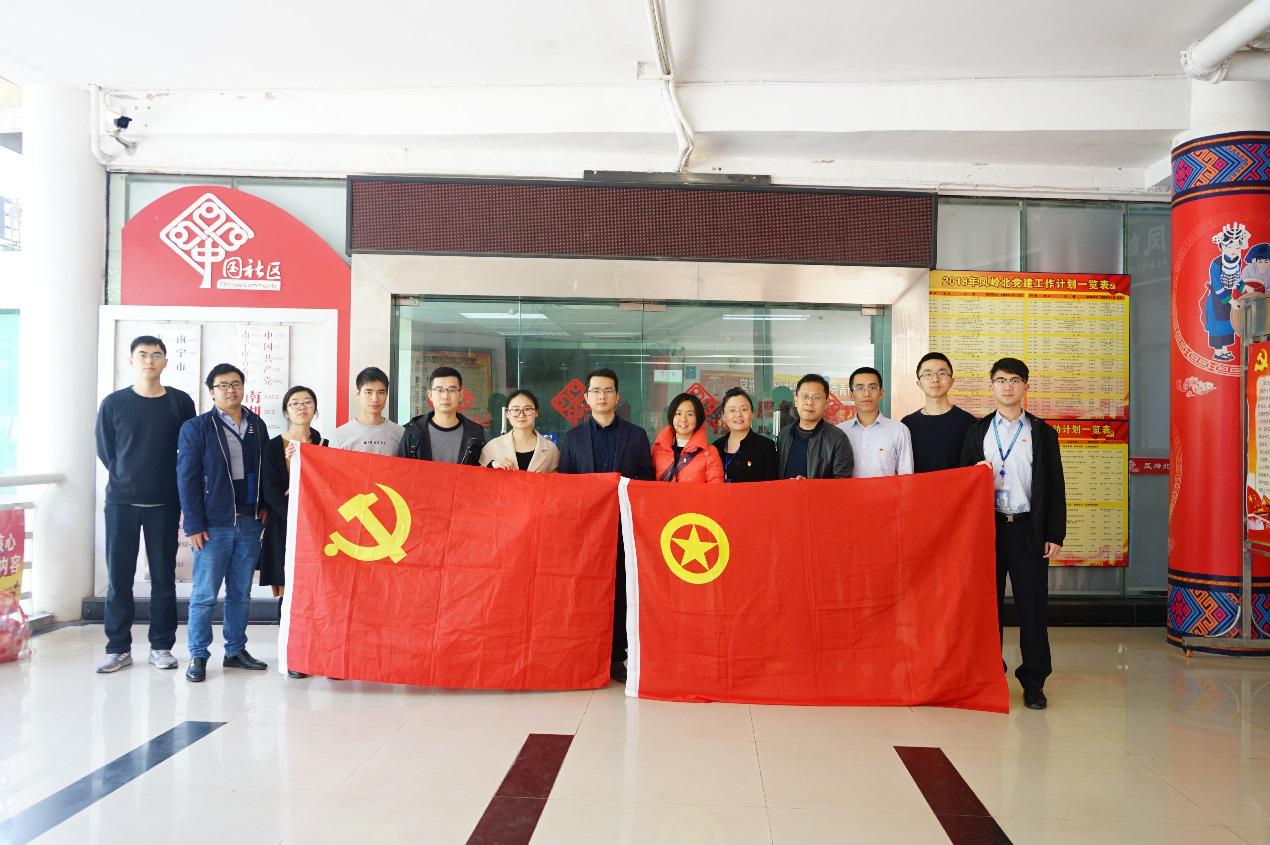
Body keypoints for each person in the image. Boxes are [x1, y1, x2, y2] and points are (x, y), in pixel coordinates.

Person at [961, 357, 1066, 711]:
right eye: (1001, 380)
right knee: (986, 608)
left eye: (1015, 380)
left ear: (1026, 386)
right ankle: (990, 676)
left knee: (1032, 608)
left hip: (1027, 530)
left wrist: (1055, 533)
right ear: (991, 386)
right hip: (987, 531)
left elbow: (1055, 486)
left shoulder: (1042, 432)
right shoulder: (976, 432)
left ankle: (1034, 682)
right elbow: (961, 480)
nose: (1008, 387)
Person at [93, 336, 197, 674]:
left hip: (165, 502)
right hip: (121, 502)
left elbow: (190, 449)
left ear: (166, 361)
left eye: (156, 355)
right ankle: (117, 648)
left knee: (164, 578)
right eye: (142, 355)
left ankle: (161, 646)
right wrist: (128, 476)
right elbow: (107, 450)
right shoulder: (114, 403)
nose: (149, 360)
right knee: (119, 578)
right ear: (131, 360)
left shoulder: (180, 402)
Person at [557, 368, 654, 682]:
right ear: (586, 398)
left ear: (617, 396)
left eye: (608, 390)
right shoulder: (573, 438)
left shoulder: (636, 435)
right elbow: (566, 485)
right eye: (596, 391)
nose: (602, 396)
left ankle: (616, 655)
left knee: (622, 588)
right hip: (588, 528)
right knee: (588, 589)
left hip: (624, 526)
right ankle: (589, 651)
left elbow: (647, 478)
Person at [178, 364, 270, 683]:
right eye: (223, 385)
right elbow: (187, 478)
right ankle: (198, 655)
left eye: (236, 384)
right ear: (212, 391)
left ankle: (235, 650)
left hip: (249, 522)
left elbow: (265, 470)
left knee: (240, 593)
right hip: (214, 524)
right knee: (204, 595)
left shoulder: (256, 425)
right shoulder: (197, 427)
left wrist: (264, 505)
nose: (230, 390)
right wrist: (193, 524)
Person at [259, 386, 326, 679]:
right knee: (289, 595)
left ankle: (316, 653)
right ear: (286, 411)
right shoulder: (273, 447)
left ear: (315, 409)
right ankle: (292, 655)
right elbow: (271, 492)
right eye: (295, 403)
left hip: (317, 529)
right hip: (285, 528)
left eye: (307, 402)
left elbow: (328, 487)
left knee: (315, 594)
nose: (301, 407)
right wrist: (297, 514)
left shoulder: (324, 444)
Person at [901, 352, 978, 474]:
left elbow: (974, 467)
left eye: (942, 373)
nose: (935, 379)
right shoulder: (907, 425)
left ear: (952, 381)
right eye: (928, 374)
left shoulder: (969, 423)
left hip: (956, 487)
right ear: (919, 383)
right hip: (917, 487)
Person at [398, 366, 486, 464]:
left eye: (451, 390)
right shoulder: (412, 432)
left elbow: (481, 469)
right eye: (439, 390)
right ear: (430, 395)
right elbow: (401, 470)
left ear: (461, 395)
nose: (445, 396)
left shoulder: (475, 433)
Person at [838, 367, 912, 478]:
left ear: (881, 393)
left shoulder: (899, 430)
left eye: (872, 388)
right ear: (851, 395)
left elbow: (906, 477)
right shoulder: (840, 432)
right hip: (849, 490)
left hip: (887, 490)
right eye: (860, 388)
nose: (866, 394)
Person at [777, 374, 853, 479]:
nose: (809, 402)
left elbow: (842, 482)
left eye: (816, 397)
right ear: (796, 400)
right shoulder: (784, 434)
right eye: (805, 396)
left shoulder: (837, 439)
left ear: (826, 403)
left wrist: (810, 486)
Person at [479, 389, 559, 472]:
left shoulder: (551, 449)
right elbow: (480, 476)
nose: (521, 415)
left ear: (536, 412)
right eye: (516, 410)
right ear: (507, 413)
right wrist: (491, 465)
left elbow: (556, 478)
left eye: (527, 409)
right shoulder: (492, 447)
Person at [330, 366, 405, 455]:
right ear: (358, 394)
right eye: (368, 392)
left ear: (386, 395)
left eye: (381, 392)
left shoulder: (400, 433)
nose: (375, 399)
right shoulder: (339, 436)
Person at [652, 393, 725, 483]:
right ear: (671, 416)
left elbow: (716, 489)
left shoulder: (710, 453)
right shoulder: (658, 449)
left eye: (689, 414)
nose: (683, 419)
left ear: (698, 418)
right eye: (678, 413)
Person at [712, 387, 779, 483]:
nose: (738, 414)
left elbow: (772, 486)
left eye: (744, 409)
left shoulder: (766, 447)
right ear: (724, 416)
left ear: (752, 414)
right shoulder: (716, 448)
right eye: (732, 410)